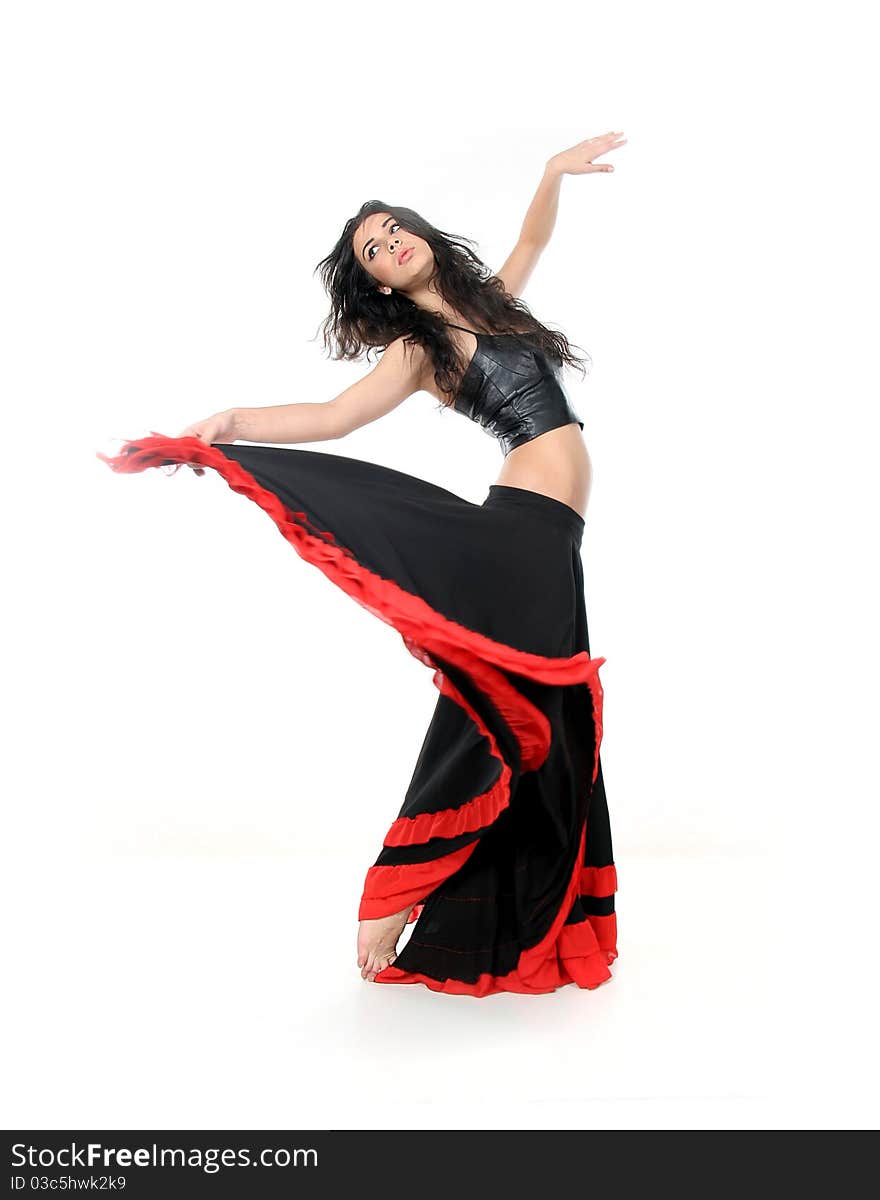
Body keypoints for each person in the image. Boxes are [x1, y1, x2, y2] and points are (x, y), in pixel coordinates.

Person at [97, 131, 626, 997]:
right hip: (524, 527)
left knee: (542, 718)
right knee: (490, 704)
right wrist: (232, 421)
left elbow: (533, 240)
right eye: (372, 249)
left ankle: (493, 915)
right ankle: (390, 894)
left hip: (556, 541)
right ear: (379, 281)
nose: (389, 244)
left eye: (392, 228)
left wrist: (549, 173)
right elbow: (336, 417)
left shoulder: (491, 303)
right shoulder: (421, 349)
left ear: (421, 235)